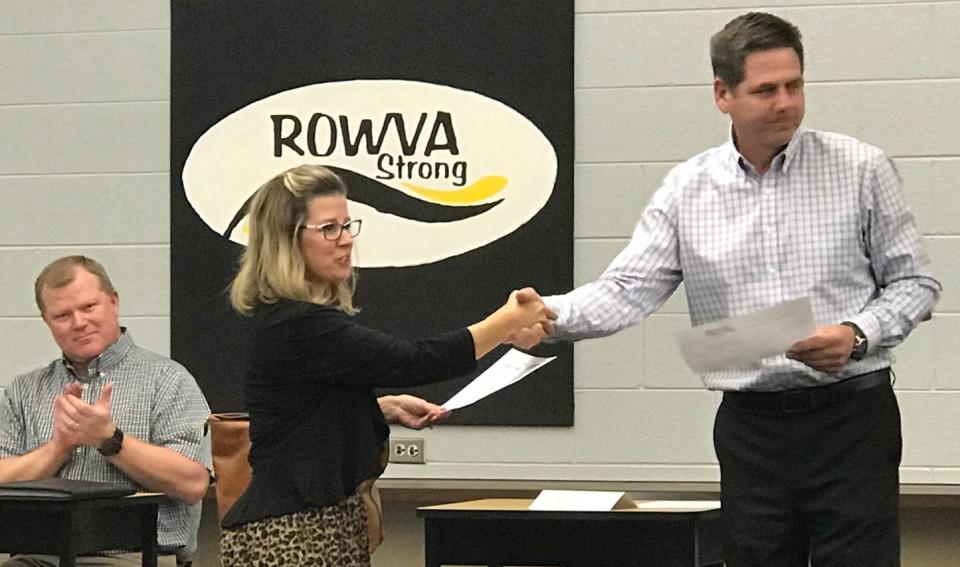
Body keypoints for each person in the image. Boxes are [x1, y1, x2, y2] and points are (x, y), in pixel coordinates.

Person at [513, 12, 941, 567]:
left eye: (795, 85)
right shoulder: (687, 188)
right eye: (766, 90)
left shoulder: (861, 168)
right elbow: (628, 287)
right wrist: (551, 314)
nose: (785, 102)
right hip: (752, 428)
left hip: (852, 420)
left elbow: (916, 282)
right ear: (723, 94)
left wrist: (859, 333)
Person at [218, 164, 553, 566]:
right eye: (328, 229)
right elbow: (412, 361)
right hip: (289, 533)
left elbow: (304, 415)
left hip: (326, 525)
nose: (345, 242)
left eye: (347, 226)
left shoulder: (305, 323)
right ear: (287, 241)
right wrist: (508, 320)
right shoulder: (298, 324)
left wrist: (378, 407)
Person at [0, 256, 213, 566]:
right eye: (62, 315)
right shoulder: (23, 391)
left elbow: (193, 483)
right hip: (38, 558)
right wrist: (59, 448)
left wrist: (110, 440)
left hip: (136, 558)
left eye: (88, 307)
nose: (78, 322)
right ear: (46, 322)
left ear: (114, 302)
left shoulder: (169, 380)